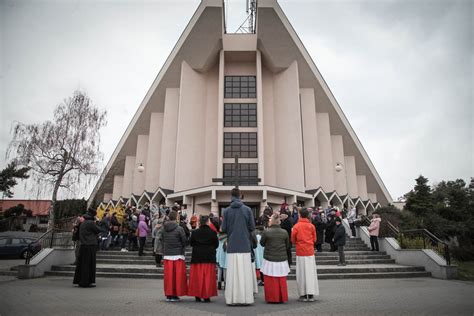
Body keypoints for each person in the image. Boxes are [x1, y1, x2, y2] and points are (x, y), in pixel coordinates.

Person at [221, 187, 256, 306]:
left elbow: (224, 229)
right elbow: (252, 227)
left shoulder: (226, 211)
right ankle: (245, 298)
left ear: (231, 196)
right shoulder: (247, 210)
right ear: (240, 195)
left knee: (232, 274)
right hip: (245, 245)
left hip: (232, 245)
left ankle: (232, 299)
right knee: (245, 273)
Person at [260, 214, 290, 304]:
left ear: (271, 221)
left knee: (270, 279)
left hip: (269, 258)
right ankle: (281, 297)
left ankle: (272, 297)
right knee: (281, 279)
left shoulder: (266, 232)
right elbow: (287, 245)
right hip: (281, 258)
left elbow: (262, 243)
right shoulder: (284, 232)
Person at [188, 215, 219, 302]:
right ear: (207, 222)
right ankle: (206, 296)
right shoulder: (213, 232)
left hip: (197, 256)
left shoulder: (194, 232)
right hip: (209, 257)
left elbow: (191, 243)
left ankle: (197, 295)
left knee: (197, 277)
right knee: (207, 278)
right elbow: (216, 245)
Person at [291, 208, 319, 302]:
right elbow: (315, 239)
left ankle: (302, 295)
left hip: (300, 252)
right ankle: (311, 295)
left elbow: (293, 240)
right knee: (310, 273)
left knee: (301, 274)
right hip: (310, 251)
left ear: (299, 215)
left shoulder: (296, 226)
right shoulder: (311, 226)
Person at [162, 211, 188, 302]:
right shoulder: (179, 228)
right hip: (178, 255)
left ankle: (169, 295)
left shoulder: (163, 228)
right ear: (176, 217)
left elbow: (162, 239)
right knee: (177, 277)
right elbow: (184, 241)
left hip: (167, 254)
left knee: (169, 276)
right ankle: (175, 295)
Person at [73, 208, 100, 288]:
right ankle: (86, 282)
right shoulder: (91, 223)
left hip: (83, 245)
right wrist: (97, 222)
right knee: (89, 264)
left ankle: (80, 280)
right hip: (90, 245)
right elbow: (98, 230)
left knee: (82, 264)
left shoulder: (83, 223)